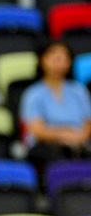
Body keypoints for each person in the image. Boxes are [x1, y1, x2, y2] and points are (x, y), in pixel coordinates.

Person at [20, 40, 91, 174]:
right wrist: (65, 135)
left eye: (65, 59)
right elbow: (38, 130)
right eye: (56, 58)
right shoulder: (33, 93)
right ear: (42, 60)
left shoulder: (78, 90)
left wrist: (79, 138)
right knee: (57, 157)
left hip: (80, 142)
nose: (61, 63)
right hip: (47, 145)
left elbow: (88, 124)